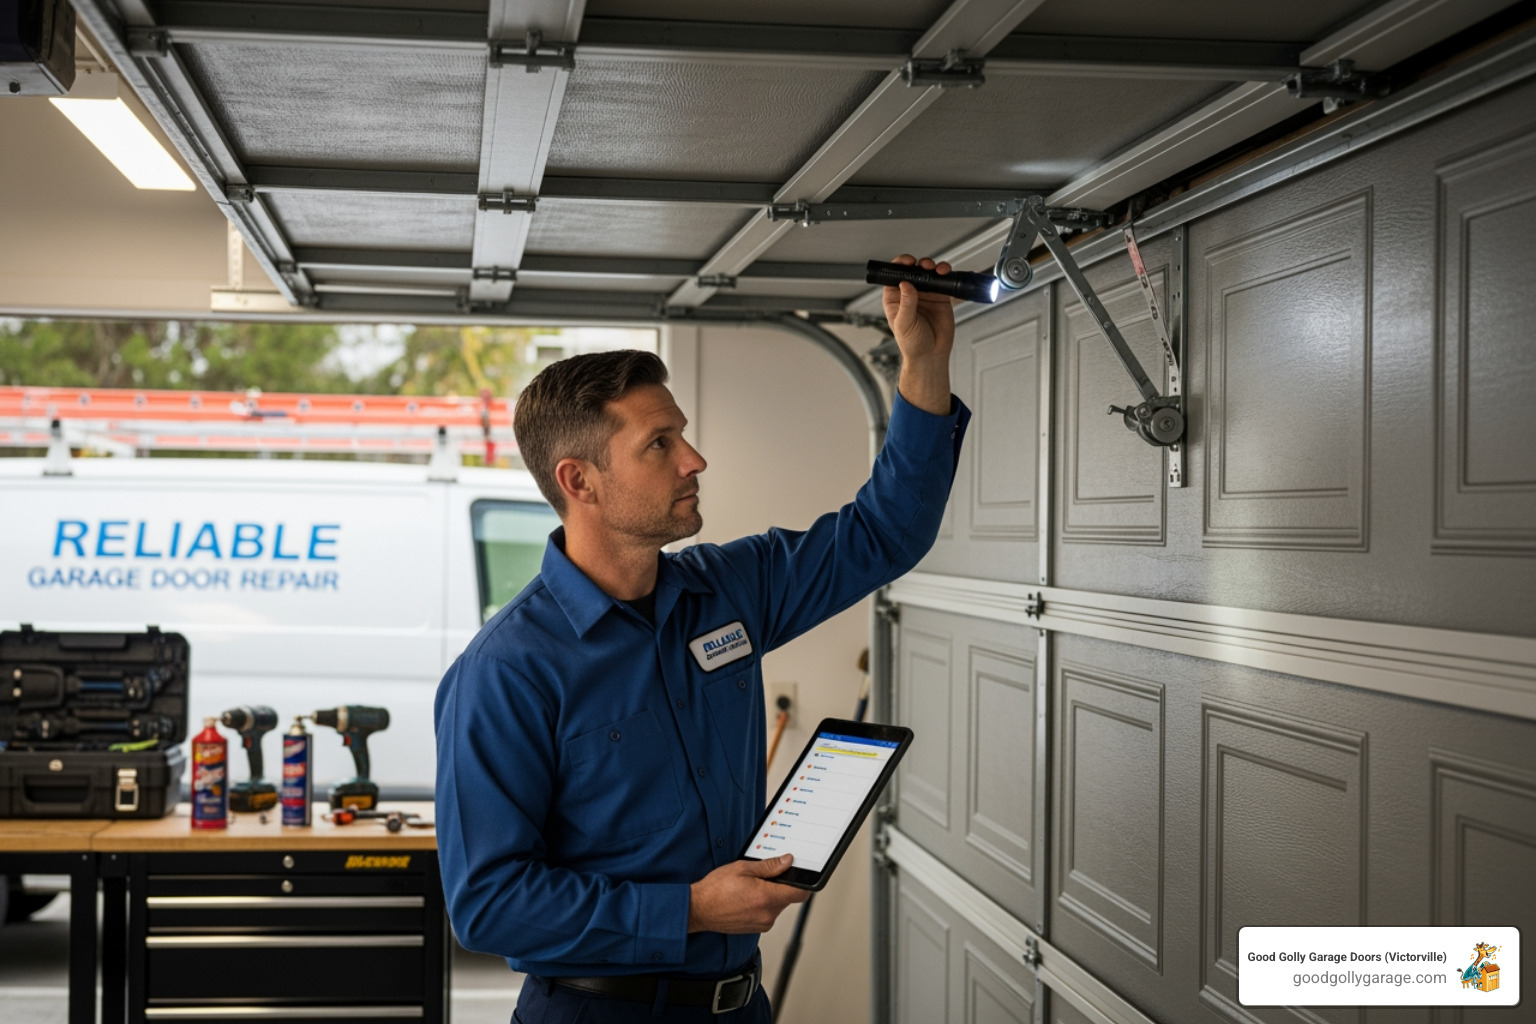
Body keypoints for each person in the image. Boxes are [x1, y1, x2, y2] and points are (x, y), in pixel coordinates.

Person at [434, 256, 971, 1023]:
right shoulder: (506, 672)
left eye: (682, 434)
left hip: (739, 1005)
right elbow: (488, 904)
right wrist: (686, 909)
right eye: (660, 445)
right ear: (579, 482)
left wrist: (925, 363)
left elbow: (885, 534)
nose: (695, 460)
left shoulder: (728, 590)